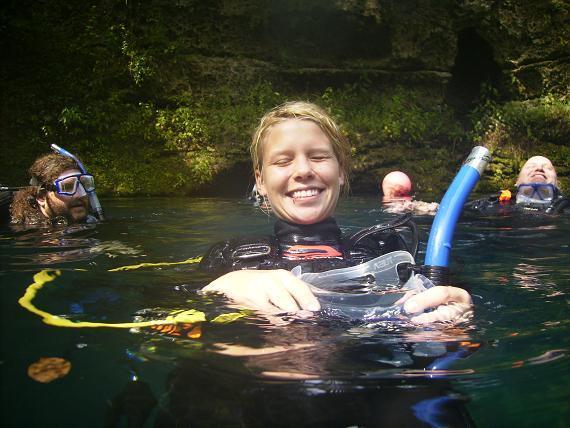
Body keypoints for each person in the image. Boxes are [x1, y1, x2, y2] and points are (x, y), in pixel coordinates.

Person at [200, 101, 471, 324]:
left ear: (341, 171)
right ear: (260, 180)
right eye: (283, 161)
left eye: (318, 157)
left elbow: (449, 309)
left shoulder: (386, 252)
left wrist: (460, 314)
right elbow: (170, 312)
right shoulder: (232, 256)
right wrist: (224, 286)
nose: (303, 171)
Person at [10, 153, 97, 225]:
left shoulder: (93, 220)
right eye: (67, 187)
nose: (81, 194)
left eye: (84, 185)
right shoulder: (28, 236)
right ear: (41, 197)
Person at [465, 155, 569, 215]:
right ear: (517, 182)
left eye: (548, 168)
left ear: (557, 184)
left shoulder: (565, 209)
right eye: (531, 166)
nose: (539, 168)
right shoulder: (490, 204)